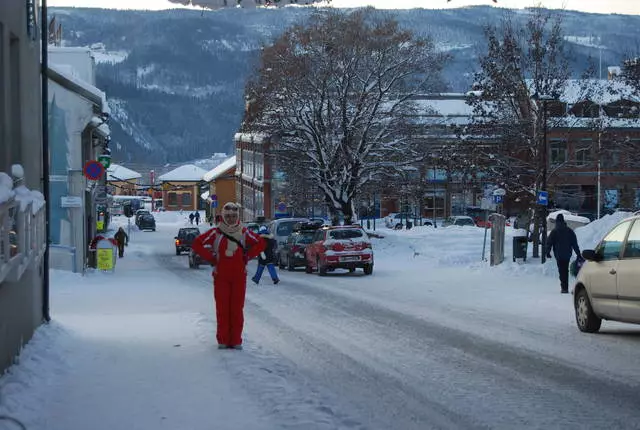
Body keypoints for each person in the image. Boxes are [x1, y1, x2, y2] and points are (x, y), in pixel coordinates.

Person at [191, 202, 265, 350]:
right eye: (228, 216)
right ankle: (223, 340)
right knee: (222, 309)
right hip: (221, 277)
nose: (231, 219)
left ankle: (236, 340)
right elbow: (197, 243)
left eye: (233, 216)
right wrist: (211, 259)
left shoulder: (244, 232)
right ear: (223, 217)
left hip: (239, 277)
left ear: (237, 216)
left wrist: (247, 256)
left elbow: (261, 243)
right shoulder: (216, 233)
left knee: (237, 309)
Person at [546, 213, 582, 294]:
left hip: (558, 254)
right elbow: (574, 244)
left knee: (561, 270)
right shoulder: (569, 231)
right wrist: (578, 254)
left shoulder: (554, 231)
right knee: (565, 270)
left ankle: (564, 287)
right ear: (563, 221)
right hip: (567, 254)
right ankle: (565, 287)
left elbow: (549, 243)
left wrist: (547, 252)